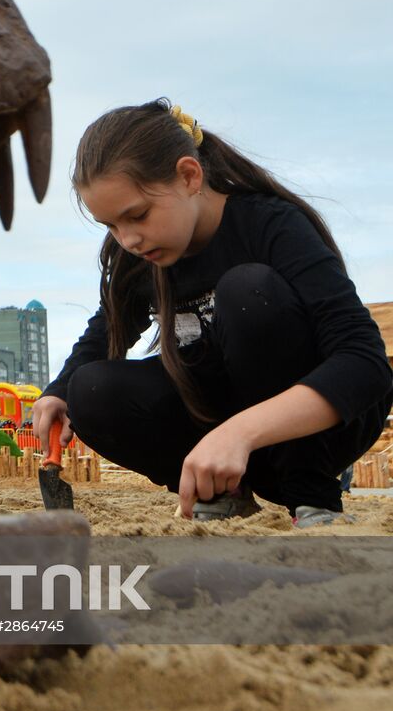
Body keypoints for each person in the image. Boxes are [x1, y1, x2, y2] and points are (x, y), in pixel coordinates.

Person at [33, 99, 392, 527]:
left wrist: (240, 431)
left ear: (189, 176)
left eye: (138, 215)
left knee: (247, 292)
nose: (128, 239)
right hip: (225, 439)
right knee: (89, 388)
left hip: (315, 434)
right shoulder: (138, 256)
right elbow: (105, 331)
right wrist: (58, 391)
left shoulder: (270, 225)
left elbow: (365, 363)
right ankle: (220, 492)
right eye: (110, 225)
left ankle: (311, 497)